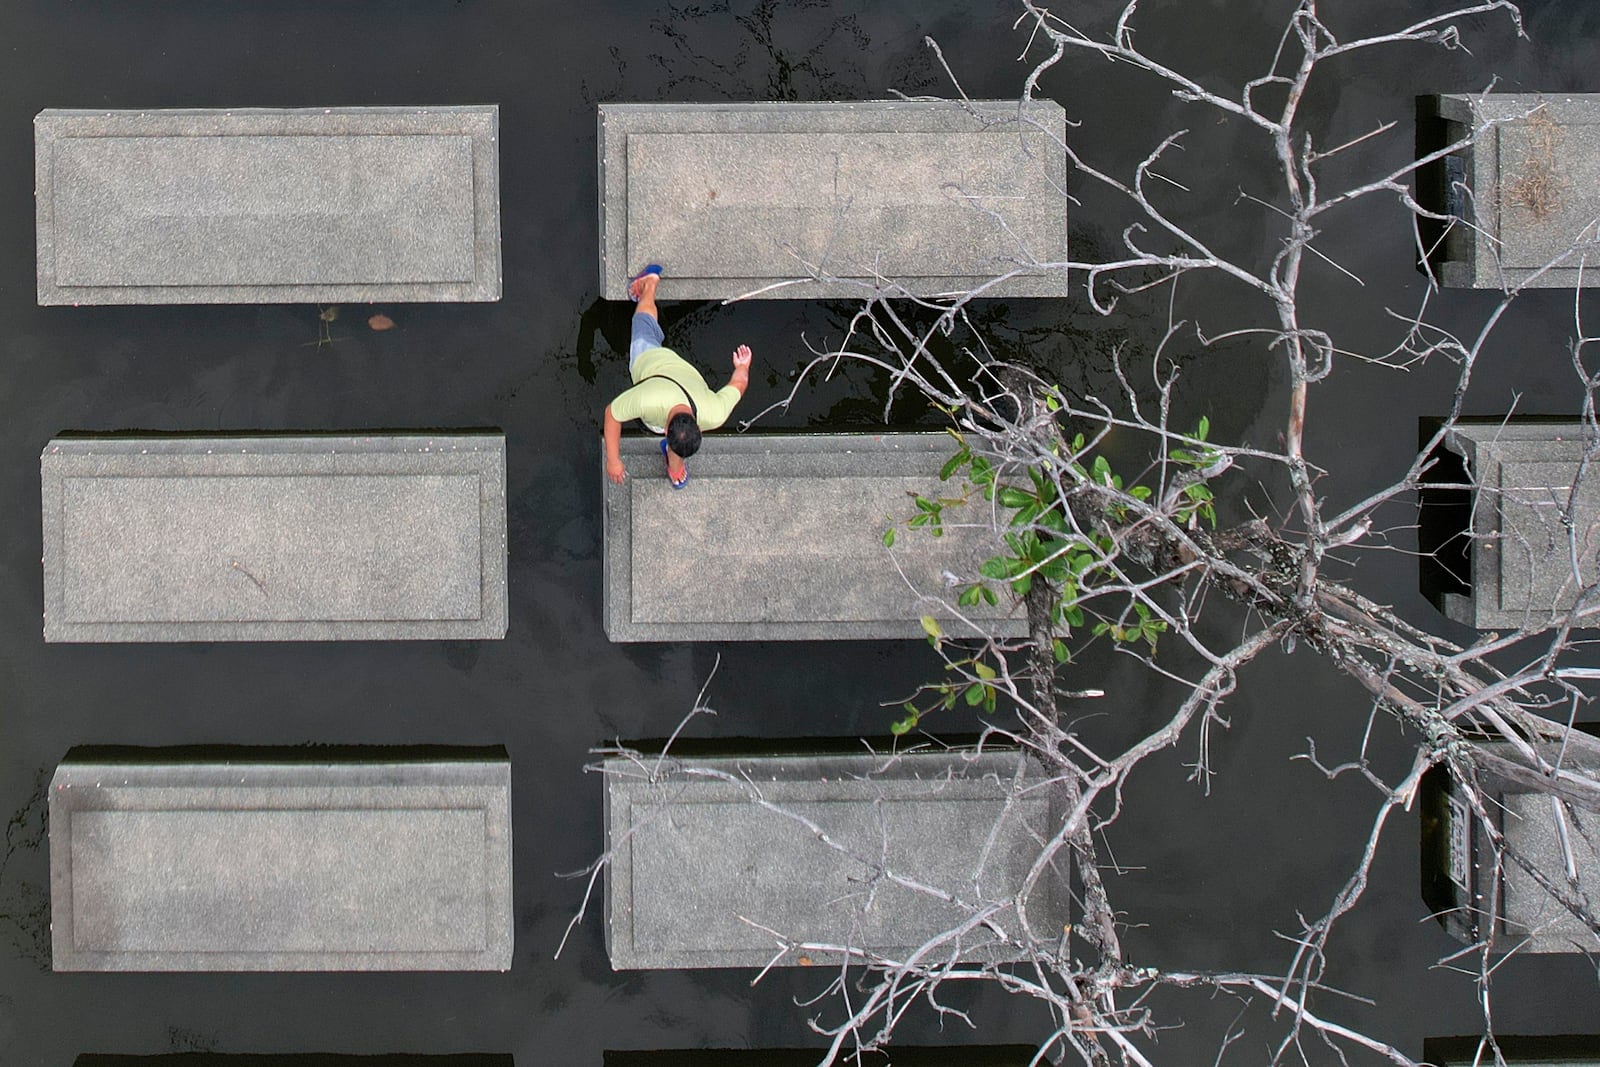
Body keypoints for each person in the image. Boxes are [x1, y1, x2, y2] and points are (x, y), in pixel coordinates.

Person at [603, 265, 752, 488]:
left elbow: (739, 383)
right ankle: (648, 286)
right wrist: (612, 461)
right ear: (700, 426)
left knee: (646, 324)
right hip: (651, 361)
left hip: (665, 365)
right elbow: (612, 414)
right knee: (644, 326)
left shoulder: (711, 411)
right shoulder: (711, 413)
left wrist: (742, 365)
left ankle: (649, 285)